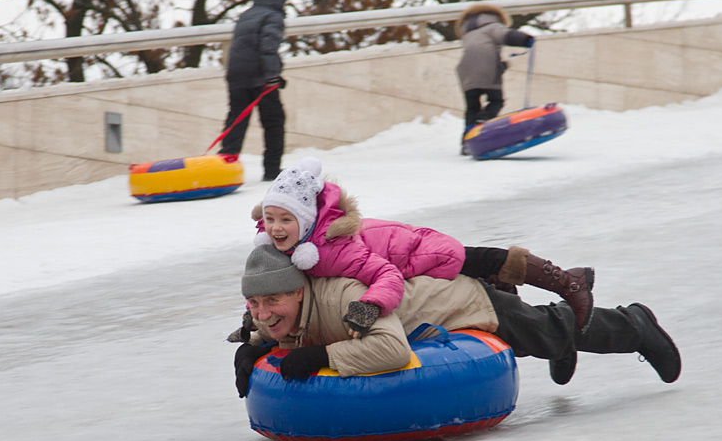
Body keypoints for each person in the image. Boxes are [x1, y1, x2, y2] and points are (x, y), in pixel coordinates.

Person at [231, 245, 681, 397]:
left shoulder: (344, 298)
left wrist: (321, 356)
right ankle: (561, 342)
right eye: (254, 305)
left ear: (298, 289)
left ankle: (635, 325)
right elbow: (270, 322)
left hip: (464, 303)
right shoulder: (280, 307)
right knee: (540, 336)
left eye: (273, 301)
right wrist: (253, 345)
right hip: (434, 316)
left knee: (546, 332)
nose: (264, 313)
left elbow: (390, 350)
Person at [241, 156, 593, 340]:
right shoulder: (281, 243)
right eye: (270, 218)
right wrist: (251, 318)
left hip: (413, 251)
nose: (274, 228)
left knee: (471, 262)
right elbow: (268, 285)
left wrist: (369, 307)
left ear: (304, 222)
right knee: (480, 273)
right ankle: (523, 298)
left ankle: (567, 282)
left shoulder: (334, 249)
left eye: (285, 220)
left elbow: (387, 274)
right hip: (389, 241)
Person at [218, 0, 290, 181]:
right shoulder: (273, 16)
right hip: (260, 77)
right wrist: (273, 76)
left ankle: (223, 169)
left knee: (236, 122)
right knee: (274, 122)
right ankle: (272, 170)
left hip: (236, 76)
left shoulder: (246, 15)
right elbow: (268, 48)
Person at [455, 3, 535, 155]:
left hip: (465, 72)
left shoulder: (468, 35)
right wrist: (525, 40)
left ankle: (467, 143)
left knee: (472, 108)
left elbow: (478, 53)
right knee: (496, 100)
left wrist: (502, 65)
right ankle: (483, 121)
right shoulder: (491, 27)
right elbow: (506, 35)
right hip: (487, 68)